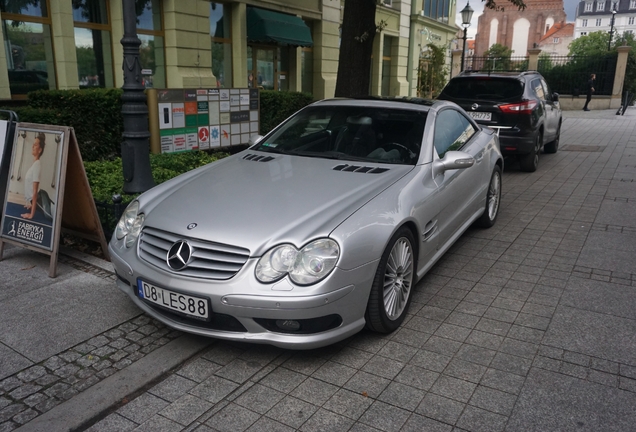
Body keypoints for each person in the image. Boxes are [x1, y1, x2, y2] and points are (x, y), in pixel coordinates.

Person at [21, 133, 45, 220]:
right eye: (33, 144)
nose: (32, 146)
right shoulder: (35, 164)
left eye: (35, 145)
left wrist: (31, 215)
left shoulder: (37, 165)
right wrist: (32, 206)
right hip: (36, 202)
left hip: (39, 202)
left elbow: (35, 192)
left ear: (40, 150)